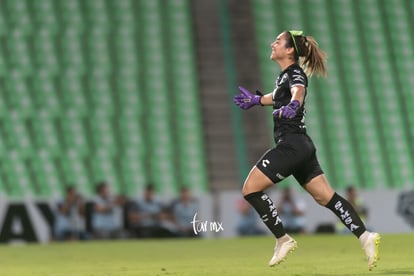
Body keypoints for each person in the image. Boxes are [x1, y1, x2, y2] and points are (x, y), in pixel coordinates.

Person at [233, 30, 380, 270]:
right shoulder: (285, 75)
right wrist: (257, 101)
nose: (273, 43)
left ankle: (283, 239)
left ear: (289, 50)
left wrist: (294, 104)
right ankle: (366, 236)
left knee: (250, 189)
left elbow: (297, 92)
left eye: (278, 41)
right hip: (302, 146)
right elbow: (280, 95)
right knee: (326, 197)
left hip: (291, 145)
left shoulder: (295, 73)